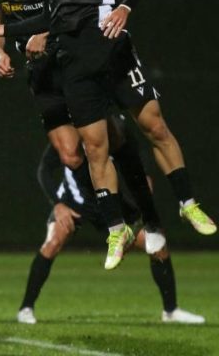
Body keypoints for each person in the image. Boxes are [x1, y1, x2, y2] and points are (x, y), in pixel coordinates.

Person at [0, 0, 215, 270]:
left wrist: (124, 7)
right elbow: (48, 19)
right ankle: (117, 227)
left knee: (154, 125)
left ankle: (187, 204)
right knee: (93, 147)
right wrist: (2, 35)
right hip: (73, 61)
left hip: (112, 49)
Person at [18, 117, 205, 325]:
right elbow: (44, 171)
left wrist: (143, 184)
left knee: (157, 244)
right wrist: (58, 204)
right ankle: (26, 308)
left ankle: (171, 310)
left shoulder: (116, 131)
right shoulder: (72, 134)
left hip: (109, 207)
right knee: (53, 242)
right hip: (74, 204)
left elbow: (138, 164)